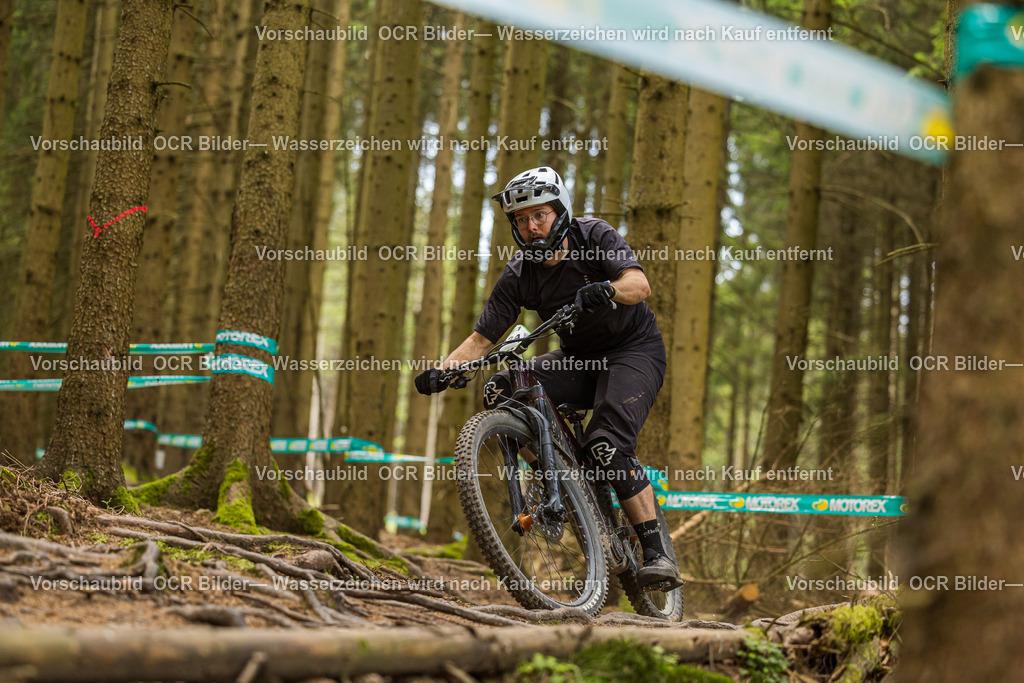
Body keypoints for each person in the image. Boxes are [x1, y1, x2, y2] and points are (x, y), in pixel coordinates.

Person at [414, 166, 682, 590]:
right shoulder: (521, 272)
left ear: (560, 212)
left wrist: (608, 290)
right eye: (520, 220)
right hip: (577, 360)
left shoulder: (593, 236)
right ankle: (555, 475)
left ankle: (657, 553)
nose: (531, 227)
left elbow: (639, 284)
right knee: (501, 388)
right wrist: (444, 371)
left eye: (539, 215)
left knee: (607, 445)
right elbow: (484, 337)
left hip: (633, 353)